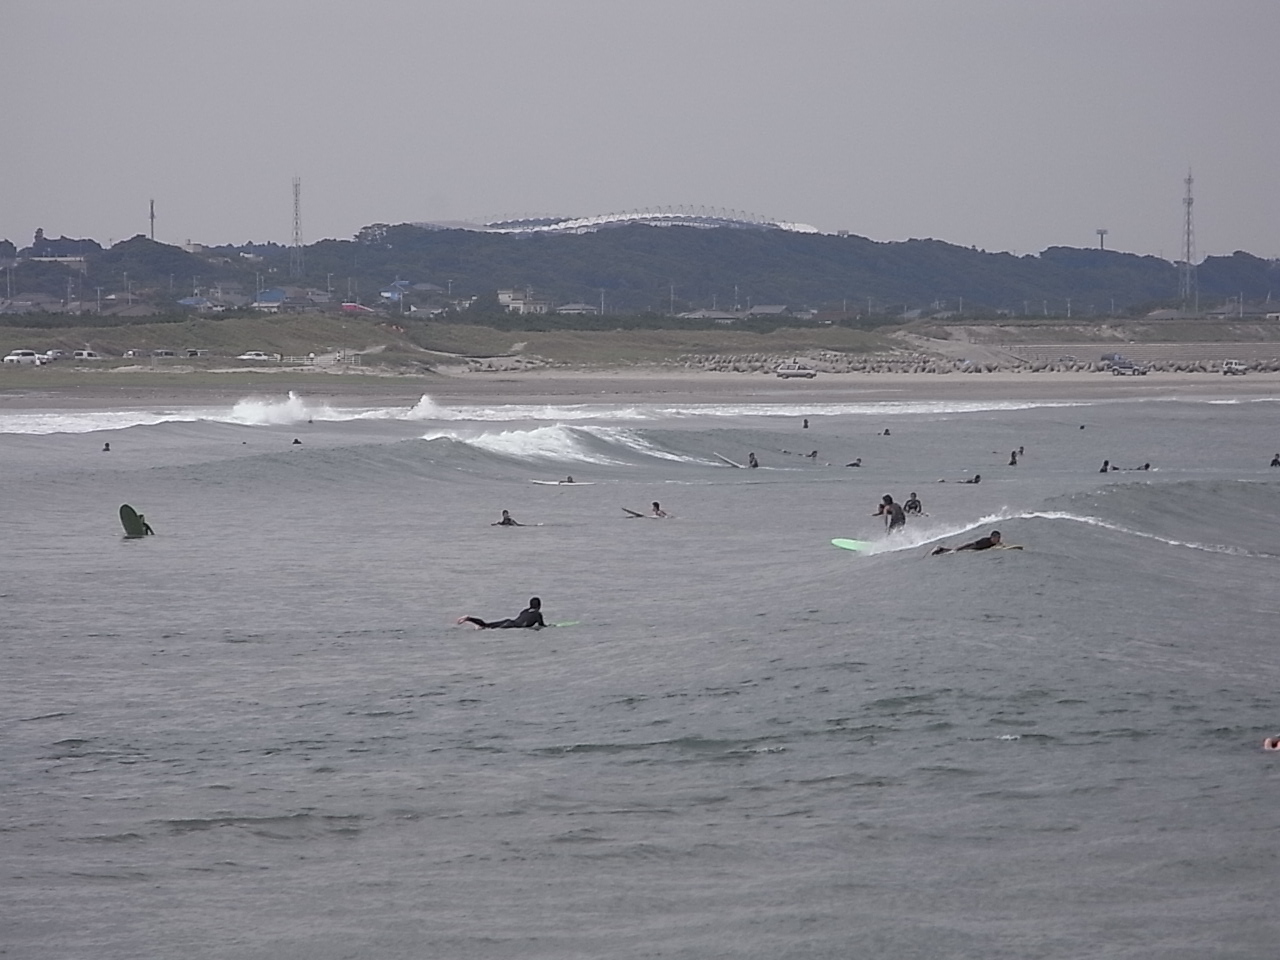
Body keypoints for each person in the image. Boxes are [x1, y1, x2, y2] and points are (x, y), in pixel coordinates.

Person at [458, 597, 545, 630]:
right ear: (539, 606)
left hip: (509, 621)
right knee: (487, 629)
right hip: (513, 626)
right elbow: (541, 625)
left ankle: (469, 618)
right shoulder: (538, 614)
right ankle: (470, 620)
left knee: (486, 625)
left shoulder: (525, 611)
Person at [931, 530, 1003, 555]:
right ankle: (939, 550)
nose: (998, 539)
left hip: (973, 549)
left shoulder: (992, 542)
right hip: (971, 548)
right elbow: (973, 543)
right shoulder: (985, 541)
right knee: (954, 551)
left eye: (999, 538)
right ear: (992, 537)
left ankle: (940, 549)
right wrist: (962, 547)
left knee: (954, 551)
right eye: (997, 538)